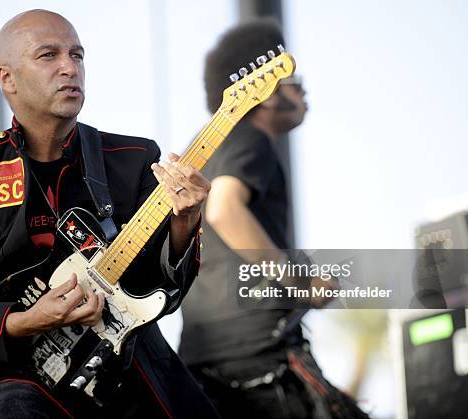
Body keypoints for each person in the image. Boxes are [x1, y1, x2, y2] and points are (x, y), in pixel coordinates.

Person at [0, 9, 219, 418]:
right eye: (48, 56)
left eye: (77, 55)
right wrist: (24, 322)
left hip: (130, 362)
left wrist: (185, 221)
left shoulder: (132, 158)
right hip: (24, 375)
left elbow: (165, 290)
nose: (69, 68)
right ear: (7, 79)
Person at [179, 18, 369, 419]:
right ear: (264, 92)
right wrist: (300, 282)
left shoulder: (207, 147)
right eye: (293, 79)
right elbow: (225, 208)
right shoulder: (249, 137)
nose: (303, 89)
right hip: (262, 357)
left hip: (203, 359)